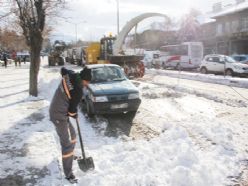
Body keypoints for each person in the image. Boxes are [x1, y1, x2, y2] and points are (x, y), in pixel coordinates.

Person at [49, 66, 91, 183]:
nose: (87, 84)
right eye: (87, 82)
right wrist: (75, 114)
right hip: (59, 116)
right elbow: (72, 111)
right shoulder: (78, 90)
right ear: (83, 80)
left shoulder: (71, 74)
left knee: (72, 135)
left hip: (58, 110)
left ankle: (70, 156)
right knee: (67, 143)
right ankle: (68, 173)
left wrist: (73, 112)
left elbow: (62, 69)